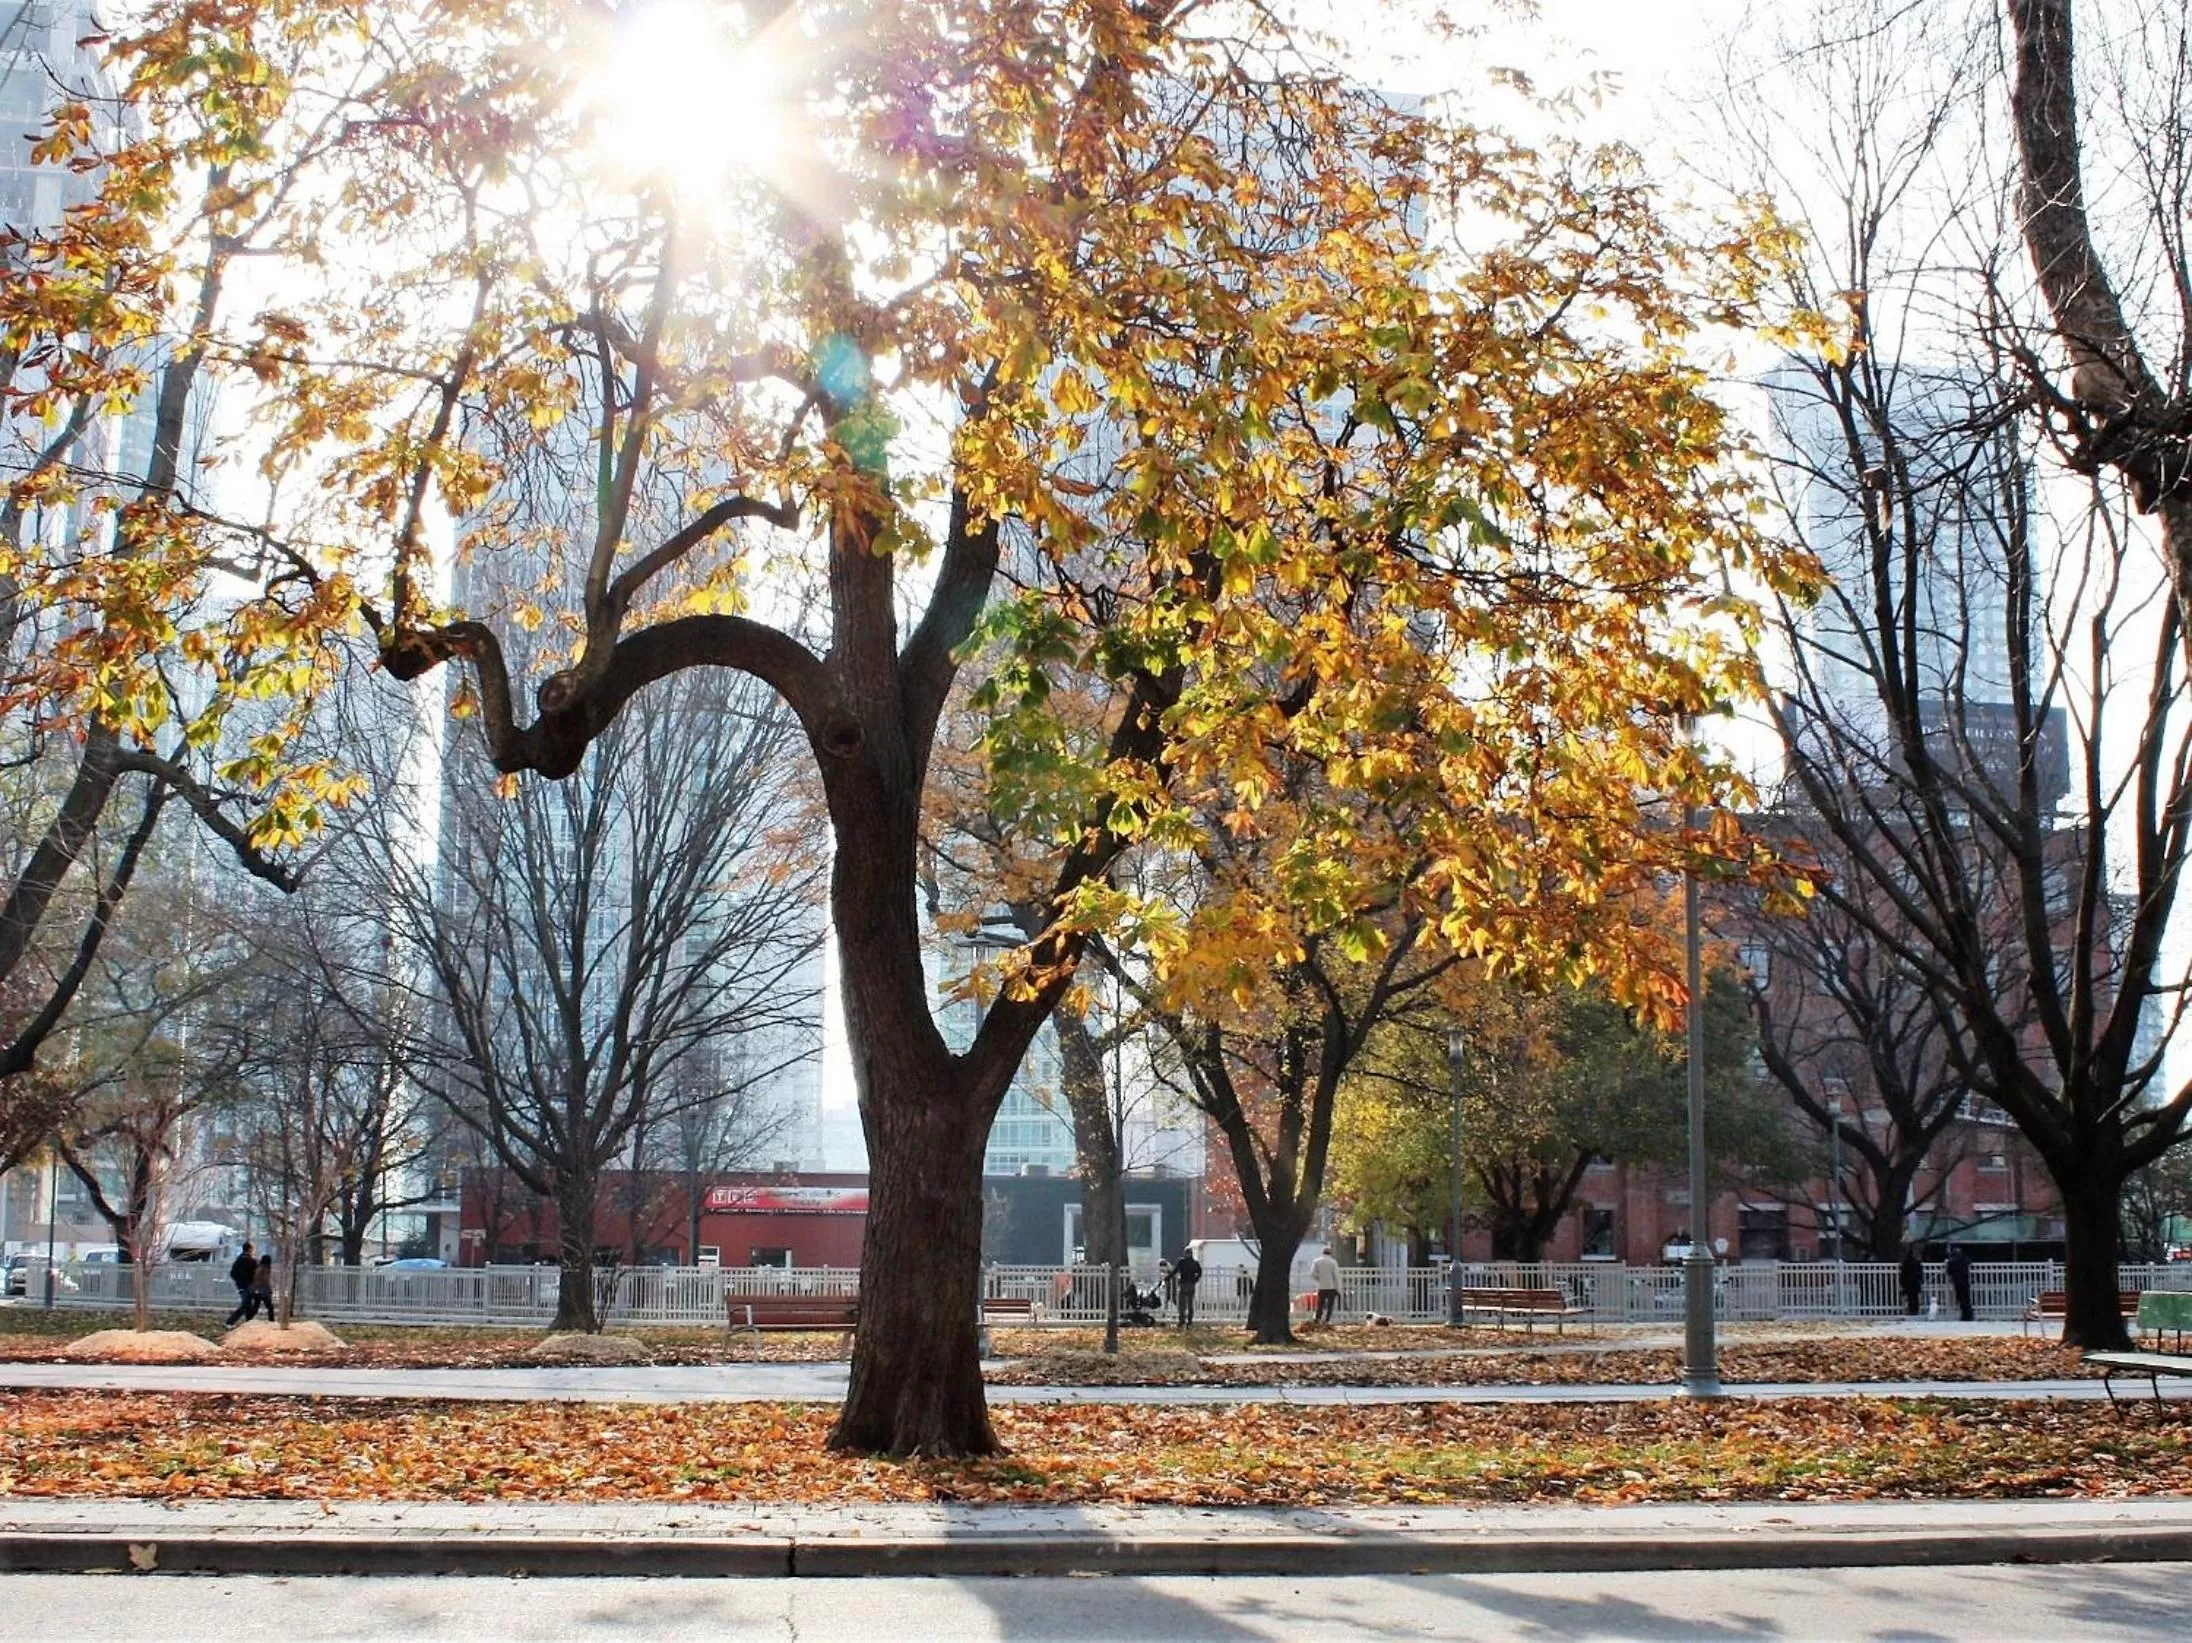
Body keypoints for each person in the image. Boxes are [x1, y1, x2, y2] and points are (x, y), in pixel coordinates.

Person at [224, 1242, 258, 1327]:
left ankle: (248, 1323)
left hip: (243, 1285)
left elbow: (233, 1273)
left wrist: (239, 1282)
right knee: (246, 1304)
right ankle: (229, 1322)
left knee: (248, 1304)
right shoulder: (249, 1260)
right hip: (246, 1285)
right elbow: (255, 1274)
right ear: (250, 1249)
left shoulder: (240, 1259)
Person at [1311, 1248, 1342, 1326]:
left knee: (1320, 1304)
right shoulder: (1333, 1262)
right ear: (1330, 1253)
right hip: (1331, 1287)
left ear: (1322, 1253)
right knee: (1330, 1305)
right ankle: (1327, 1320)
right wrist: (1338, 1288)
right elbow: (1336, 1276)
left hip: (1321, 1286)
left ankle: (1317, 1319)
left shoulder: (1316, 1261)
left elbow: (1313, 1273)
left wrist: (1319, 1279)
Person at [1173, 1250, 1202, 1329]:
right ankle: (1189, 1321)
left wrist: (1168, 1277)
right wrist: (1195, 1280)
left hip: (1183, 1284)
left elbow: (1175, 1271)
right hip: (1191, 1285)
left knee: (1182, 1304)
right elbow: (1199, 1272)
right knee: (1190, 1303)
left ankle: (1182, 1320)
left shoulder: (1181, 1262)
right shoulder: (1194, 1263)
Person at [1945, 1245, 1974, 1322]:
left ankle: (1965, 1315)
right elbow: (1970, 1261)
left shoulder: (1951, 1261)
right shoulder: (1964, 1259)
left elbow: (1948, 1272)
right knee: (1966, 1299)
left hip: (1957, 1281)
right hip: (1965, 1281)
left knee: (1961, 1299)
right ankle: (1969, 1315)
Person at [1899, 1246, 1924, 1317]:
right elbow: (1920, 1272)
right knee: (1915, 1297)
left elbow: (1903, 1274)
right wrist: (1921, 1280)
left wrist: (1902, 1282)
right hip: (1915, 1282)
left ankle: (1911, 1310)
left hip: (1908, 1283)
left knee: (1910, 1297)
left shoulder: (1905, 1263)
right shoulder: (1917, 1263)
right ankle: (1915, 1310)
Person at [252, 1253, 276, 1324]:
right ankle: (271, 1321)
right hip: (263, 1291)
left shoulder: (259, 1268)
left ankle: (248, 1319)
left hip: (259, 1290)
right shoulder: (264, 1269)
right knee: (270, 1307)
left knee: (255, 1308)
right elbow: (265, 1280)